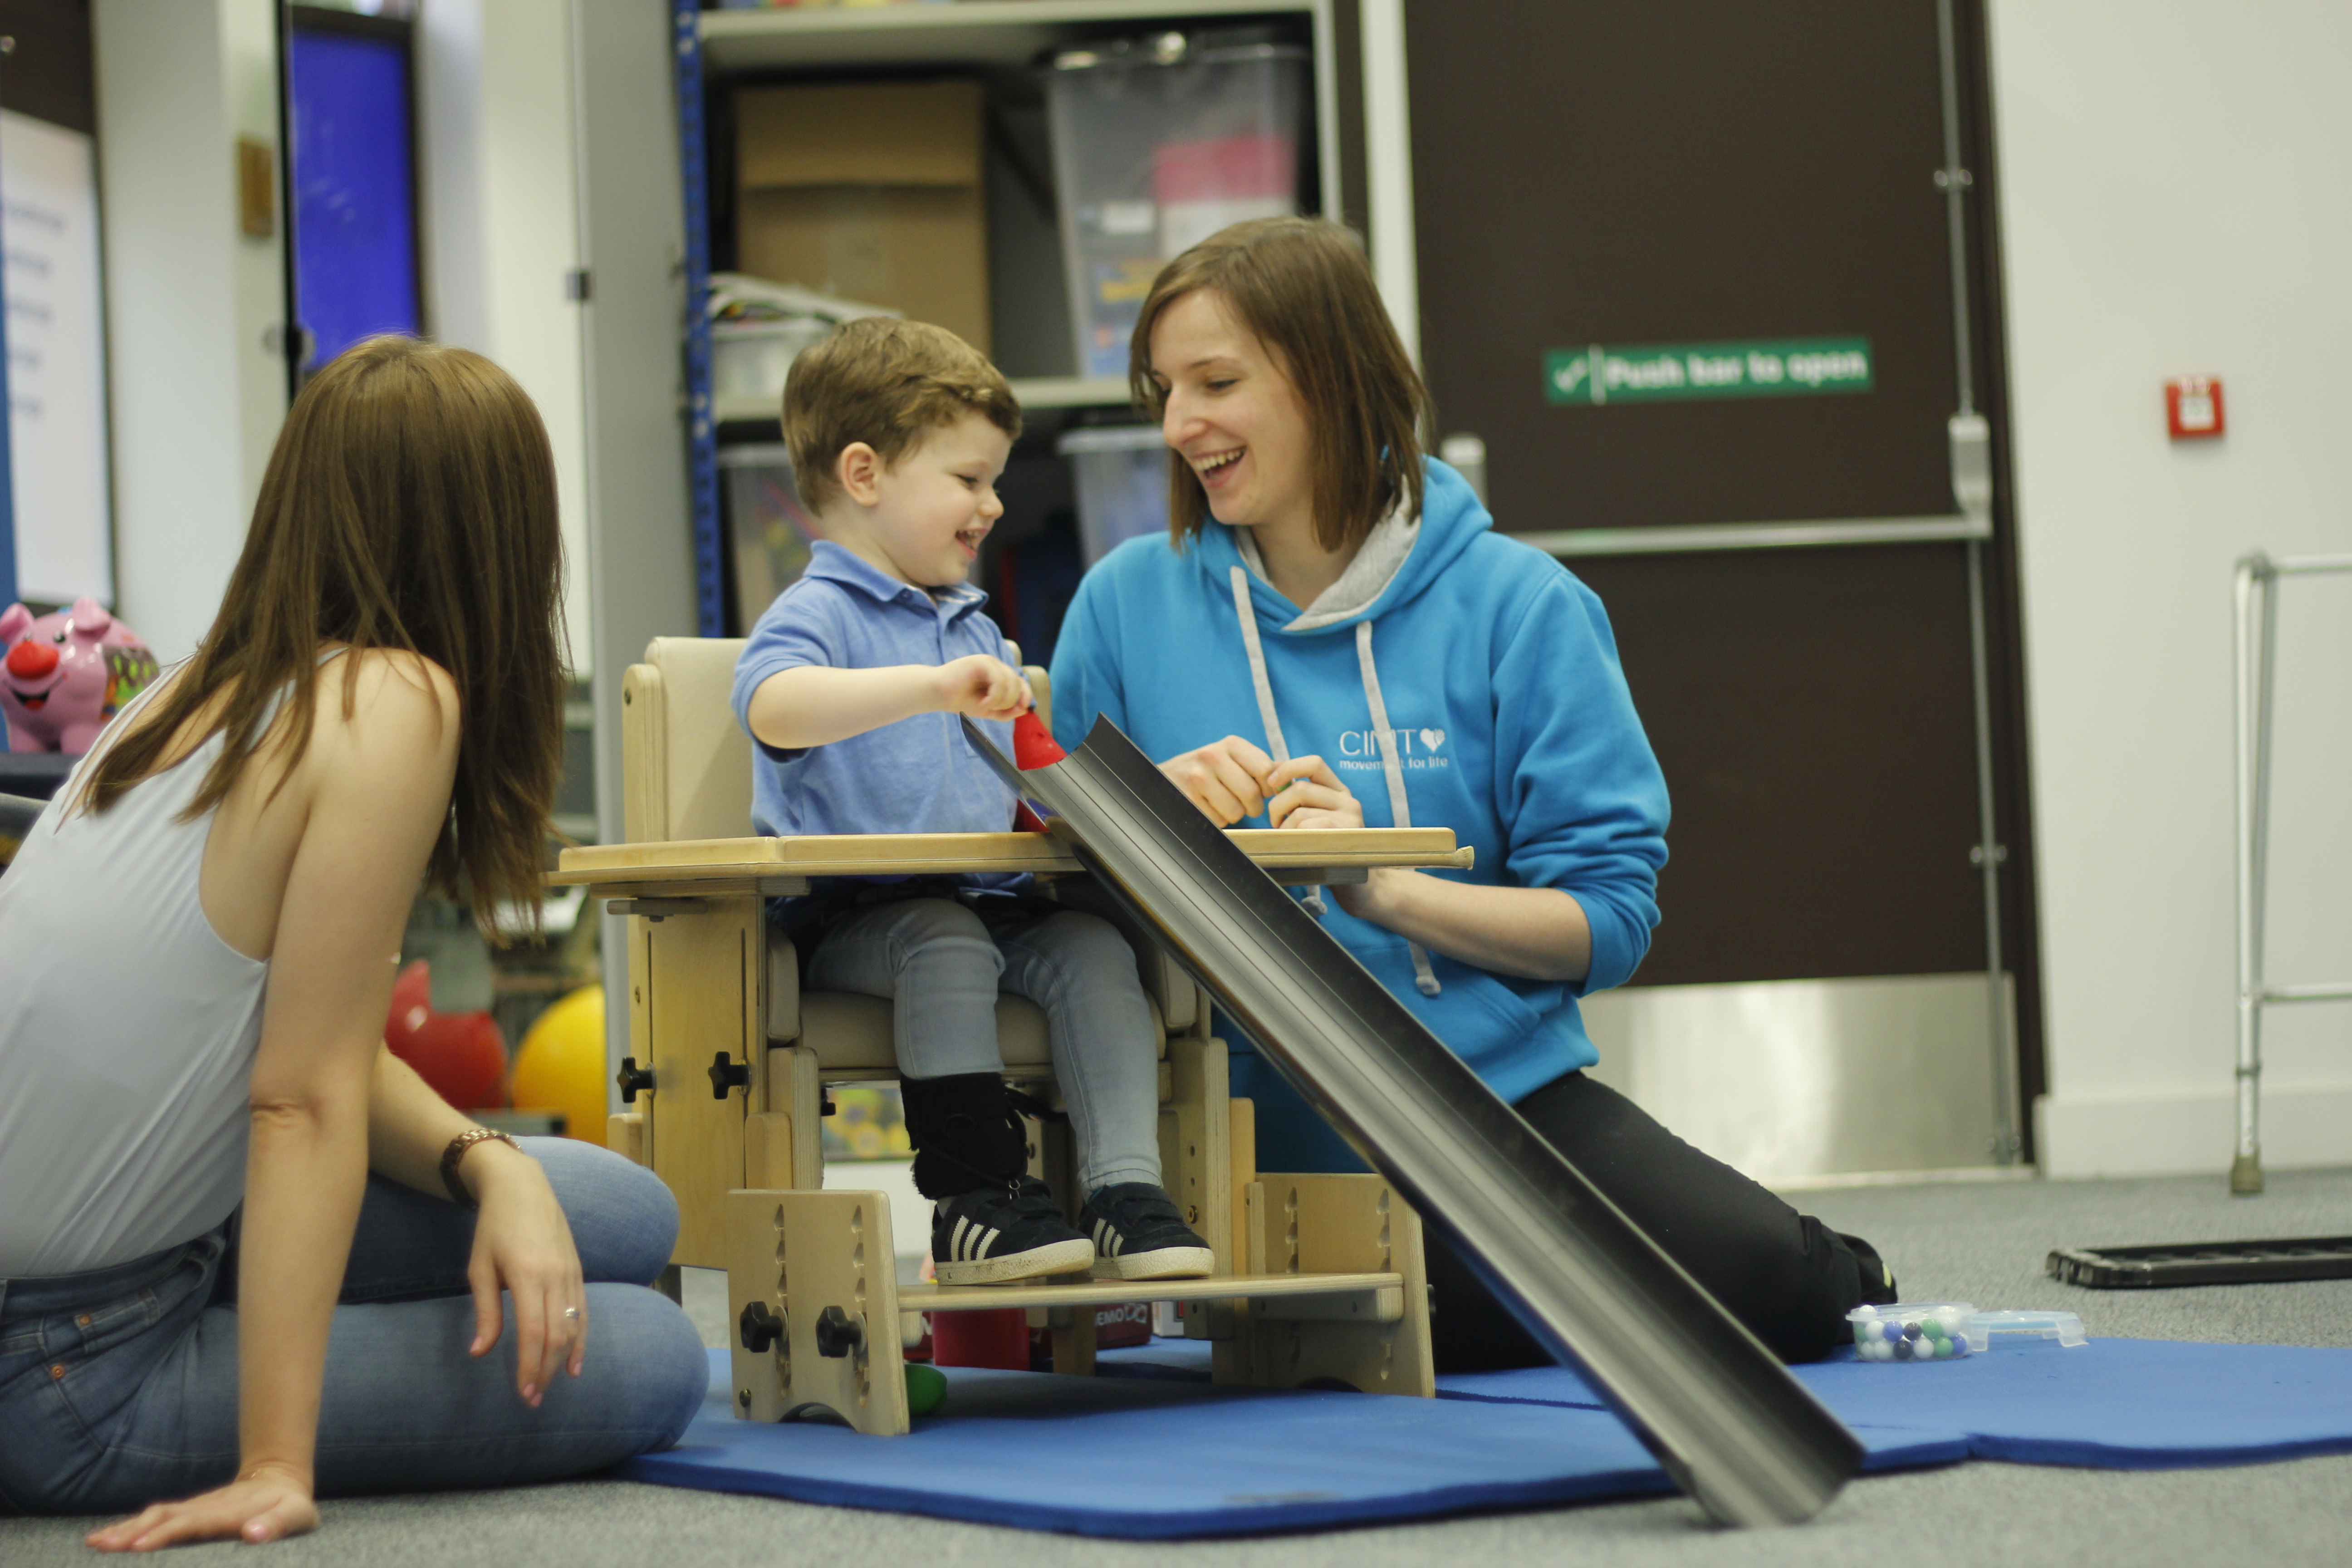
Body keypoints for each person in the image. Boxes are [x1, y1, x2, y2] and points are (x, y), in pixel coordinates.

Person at [1046, 216, 1897, 1368]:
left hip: (1494, 1100)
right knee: (1406, 1308)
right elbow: (1041, 892)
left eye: (1217, 381)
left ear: (1331, 378)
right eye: (1164, 389)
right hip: (1239, 1130)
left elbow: (1607, 923)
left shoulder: (1524, 606)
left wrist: (1387, 889)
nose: (1178, 424)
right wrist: (1136, 818)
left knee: (1785, 1297)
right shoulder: (1121, 606)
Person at [0, 338, 708, 1545]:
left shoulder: (181, 692)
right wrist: (278, 1461)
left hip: (140, 1249)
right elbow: (300, 1103)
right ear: (496, 541)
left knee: (618, 1214)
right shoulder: (392, 699)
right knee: (651, 1353)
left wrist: (489, 1163)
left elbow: (299, 1040)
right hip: (76, 1369)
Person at [730, 318, 1212, 1288]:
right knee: (942, 935)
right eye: (969, 480)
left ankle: (1124, 1194)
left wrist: (1144, 795)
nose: (993, 505)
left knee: (1094, 948)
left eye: (994, 480)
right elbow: (773, 708)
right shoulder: (819, 612)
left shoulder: (974, 623)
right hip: (857, 923)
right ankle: (973, 1199)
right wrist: (928, 686)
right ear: (864, 475)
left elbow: (1038, 779)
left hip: (991, 906)